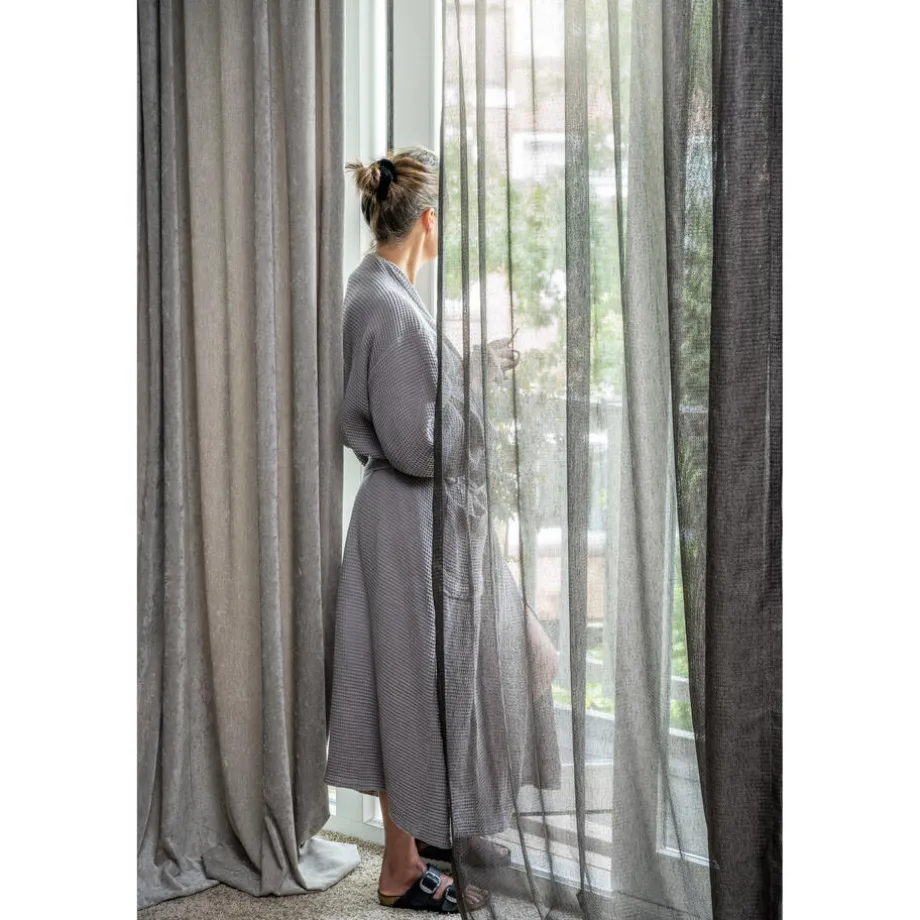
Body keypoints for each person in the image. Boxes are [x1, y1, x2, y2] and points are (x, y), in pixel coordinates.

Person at [323, 147, 558, 914]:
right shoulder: (387, 304)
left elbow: (414, 396)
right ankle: (404, 865)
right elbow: (417, 443)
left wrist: (471, 367)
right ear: (429, 219)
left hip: (411, 522)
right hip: (407, 523)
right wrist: (477, 392)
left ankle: (428, 842)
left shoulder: (381, 289)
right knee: (419, 684)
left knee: (465, 670)